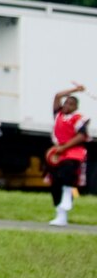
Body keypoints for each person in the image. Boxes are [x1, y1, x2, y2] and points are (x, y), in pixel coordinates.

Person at [47, 83, 88, 227]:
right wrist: (75, 90)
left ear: (76, 107)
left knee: (67, 174)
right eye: (66, 103)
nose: (67, 106)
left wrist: (65, 146)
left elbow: (81, 136)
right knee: (55, 182)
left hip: (72, 151)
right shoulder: (58, 115)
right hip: (58, 152)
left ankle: (67, 192)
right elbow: (58, 95)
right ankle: (60, 214)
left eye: (71, 104)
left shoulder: (78, 119)